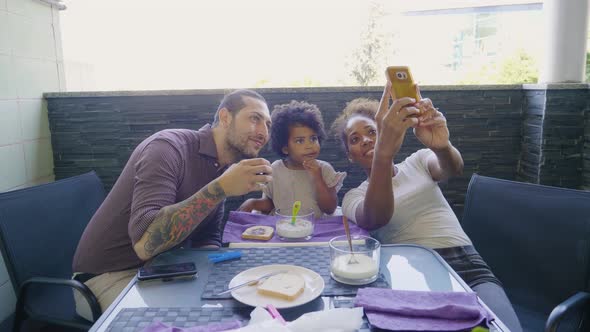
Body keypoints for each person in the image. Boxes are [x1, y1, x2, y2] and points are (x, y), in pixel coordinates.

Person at [331, 83, 523, 332]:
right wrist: (383, 154)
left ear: (384, 132)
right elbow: (376, 217)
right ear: (350, 155)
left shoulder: (418, 161)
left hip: (466, 261)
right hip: (410, 273)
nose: (366, 140)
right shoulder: (354, 197)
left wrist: (442, 145)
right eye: (355, 139)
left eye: (372, 132)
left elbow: (452, 168)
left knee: (502, 328)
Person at [71, 89, 273, 321]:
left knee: (241, 308)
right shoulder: (168, 147)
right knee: (182, 324)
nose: (263, 132)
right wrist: (220, 188)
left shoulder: (220, 168)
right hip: (106, 277)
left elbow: (206, 239)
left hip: (163, 269)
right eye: (255, 118)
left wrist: (228, 273)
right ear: (226, 117)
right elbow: (145, 243)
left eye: (267, 124)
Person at [238, 100, 346, 218]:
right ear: (285, 148)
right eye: (300, 140)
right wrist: (253, 203)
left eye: (313, 138)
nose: (309, 145)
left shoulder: (324, 169)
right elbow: (272, 203)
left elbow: (330, 209)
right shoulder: (275, 169)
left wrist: (318, 177)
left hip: (315, 231)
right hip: (283, 230)